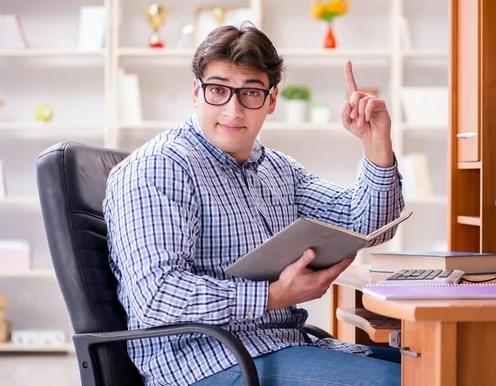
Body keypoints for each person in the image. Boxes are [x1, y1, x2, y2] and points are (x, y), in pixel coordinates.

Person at [103, 23, 404, 386]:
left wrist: (376, 146)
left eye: (250, 93)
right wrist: (273, 296)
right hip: (204, 362)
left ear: (272, 100)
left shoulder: (278, 169)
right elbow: (156, 297)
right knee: (398, 381)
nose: (233, 110)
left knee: (441, 365)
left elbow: (366, 225)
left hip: (280, 345)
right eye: (218, 90)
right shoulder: (159, 167)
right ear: (196, 92)